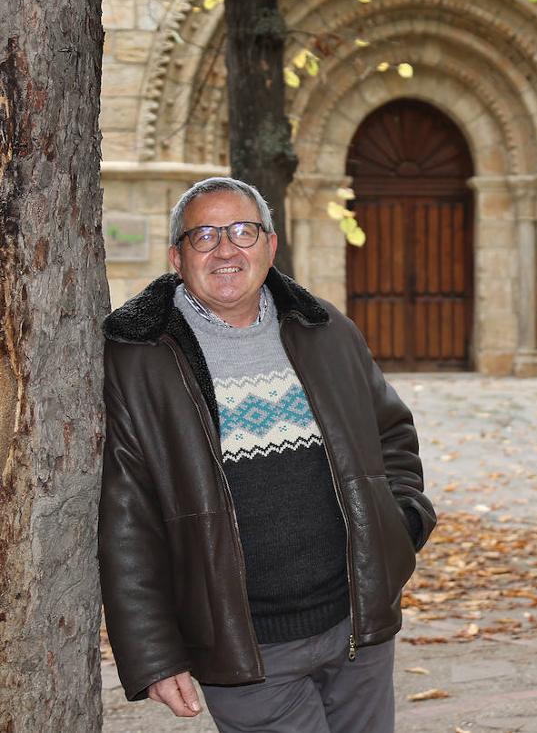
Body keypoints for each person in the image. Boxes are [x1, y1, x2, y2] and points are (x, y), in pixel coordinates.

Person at [99, 176, 435, 733]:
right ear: (176, 257)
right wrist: (156, 655)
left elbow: (392, 434)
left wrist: (400, 526)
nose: (226, 249)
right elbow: (125, 520)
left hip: (359, 627)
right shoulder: (137, 361)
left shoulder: (325, 330)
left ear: (271, 246)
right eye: (204, 236)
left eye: (243, 231)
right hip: (245, 647)